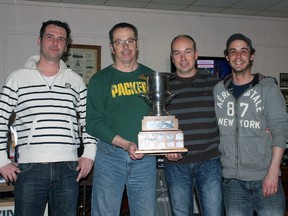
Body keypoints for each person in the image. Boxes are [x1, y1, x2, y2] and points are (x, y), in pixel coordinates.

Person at [0, 20, 97, 216]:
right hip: (29, 169)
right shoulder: (17, 78)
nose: (55, 43)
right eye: (50, 37)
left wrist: (89, 154)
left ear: (67, 46)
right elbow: (1, 118)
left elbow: (88, 121)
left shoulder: (76, 81)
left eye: (61, 39)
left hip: (69, 168)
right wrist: (1, 160)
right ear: (39, 40)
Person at [86, 22, 156, 216]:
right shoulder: (100, 79)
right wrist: (125, 144)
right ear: (111, 47)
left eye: (130, 41)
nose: (125, 47)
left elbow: (159, 116)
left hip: (146, 157)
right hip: (109, 156)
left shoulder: (151, 77)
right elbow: (93, 123)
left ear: (137, 44)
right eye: (119, 42)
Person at [213, 33, 288, 215]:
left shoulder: (267, 88)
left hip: (265, 178)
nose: (238, 57)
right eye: (233, 52)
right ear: (227, 56)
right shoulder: (218, 90)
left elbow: (280, 130)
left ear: (251, 56)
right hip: (233, 182)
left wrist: (273, 172)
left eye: (243, 51)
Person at [164, 35, 224, 216]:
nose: (183, 58)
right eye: (177, 53)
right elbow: (159, 124)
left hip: (210, 162)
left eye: (187, 52)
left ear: (196, 55)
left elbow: (231, 116)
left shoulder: (215, 83)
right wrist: (165, 147)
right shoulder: (163, 87)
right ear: (172, 58)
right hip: (176, 164)